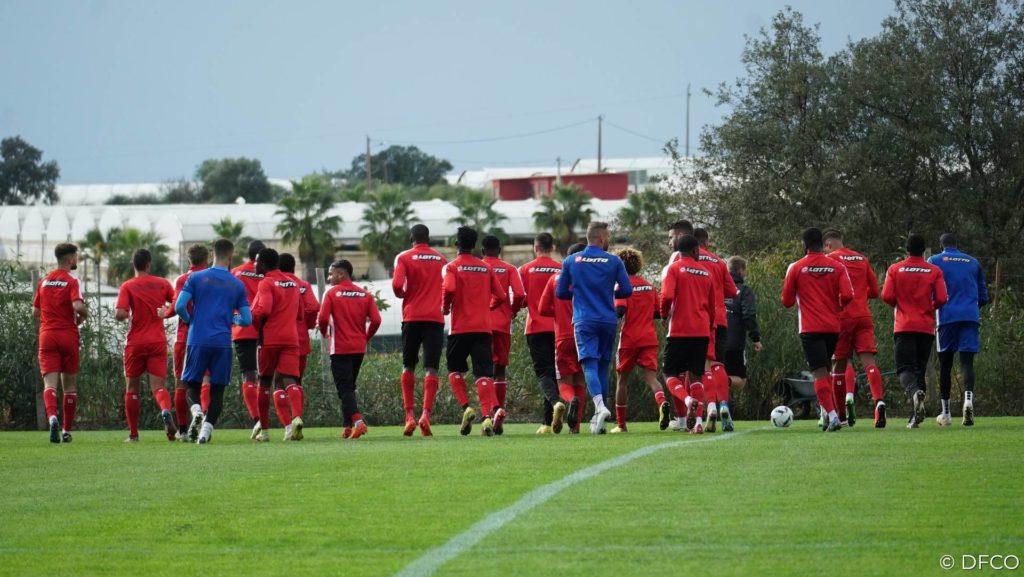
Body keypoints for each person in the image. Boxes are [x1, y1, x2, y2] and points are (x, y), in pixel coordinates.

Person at [556, 221, 633, 434]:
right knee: (602, 367)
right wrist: (609, 292)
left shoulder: (571, 261)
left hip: (584, 319)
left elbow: (561, 293)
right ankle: (601, 421)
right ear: (601, 238)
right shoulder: (614, 261)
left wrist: (579, 292)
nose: (609, 240)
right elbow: (627, 290)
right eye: (608, 237)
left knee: (588, 365)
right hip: (608, 319)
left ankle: (600, 408)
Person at [174, 239, 251, 444]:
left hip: (197, 339)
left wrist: (190, 320)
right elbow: (247, 319)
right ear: (231, 256)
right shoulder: (237, 284)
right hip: (222, 342)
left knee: (191, 385)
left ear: (212, 254)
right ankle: (205, 433)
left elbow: (179, 306)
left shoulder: (196, 278)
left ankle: (196, 410)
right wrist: (233, 319)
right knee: (217, 390)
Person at [781, 227, 854, 432]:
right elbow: (848, 295)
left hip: (810, 327)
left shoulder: (796, 267)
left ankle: (832, 416)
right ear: (822, 244)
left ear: (804, 245)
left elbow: (786, 301)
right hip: (833, 327)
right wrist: (837, 307)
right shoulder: (837, 266)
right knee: (826, 370)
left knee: (819, 372)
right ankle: (827, 412)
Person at [443, 227, 506, 436]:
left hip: (460, 328)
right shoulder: (486, 267)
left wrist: (445, 307)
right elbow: (501, 296)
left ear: (457, 244)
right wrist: (489, 307)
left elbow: (449, 289)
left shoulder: (452, 267)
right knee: (484, 373)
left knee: (454, 369)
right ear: (475, 245)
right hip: (483, 328)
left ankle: (466, 407)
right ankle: (487, 416)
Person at [881, 234, 948, 428]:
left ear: (907, 249)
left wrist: (900, 304)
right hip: (925, 327)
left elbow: (886, 295)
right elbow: (942, 298)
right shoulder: (934, 270)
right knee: (920, 369)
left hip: (904, 325)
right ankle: (914, 418)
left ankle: (914, 393)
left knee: (904, 369)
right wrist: (928, 307)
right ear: (923, 250)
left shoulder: (895, 269)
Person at [823, 229, 885, 428]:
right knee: (869, 362)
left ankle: (841, 414)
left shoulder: (830, 260)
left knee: (839, 365)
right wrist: (860, 294)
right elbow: (874, 291)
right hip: (863, 315)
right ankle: (879, 402)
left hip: (842, 317)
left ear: (827, 245)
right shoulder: (861, 258)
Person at [114, 249, 176, 442]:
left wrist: (125, 314)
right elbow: (178, 303)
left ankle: (133, 434)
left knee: (132, 388)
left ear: (133, 264)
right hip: (157, 341)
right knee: (158, 387)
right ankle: (165, 411)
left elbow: (120, 313)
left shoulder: (127, 286)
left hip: (135, 343)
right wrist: (166, 312)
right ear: (149, 264)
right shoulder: (163, 283)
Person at [392, 224, 447, 436]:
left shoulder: (404, 257)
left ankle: (409, 416)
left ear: (411, 238)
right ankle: (425, 415)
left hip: (412, 316)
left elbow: (397, 285)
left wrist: (403, 295)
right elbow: (449, 286)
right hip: (435, 317)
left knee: (408, 365)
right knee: (431, 367)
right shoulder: (441, 259)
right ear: (428, 239)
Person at [318, 259, 381, 439]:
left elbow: (322, 319)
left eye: (331, 274)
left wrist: (324, 333)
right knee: (349, 387)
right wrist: (365, 337)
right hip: (358, 348)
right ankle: (347, 426)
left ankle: (358, 422)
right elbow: (376, 320)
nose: (329, 278)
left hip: (339, 348)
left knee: (344, 389)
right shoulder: (365, 294)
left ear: (341, 274)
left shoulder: (331, 293)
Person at [929, 233, 988, 426]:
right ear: (957, 245)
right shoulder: (973, 262)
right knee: (967, 363)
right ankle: (968, 401)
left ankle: (946, 413)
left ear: (941, 246)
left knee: (945, 365)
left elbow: (929, 290)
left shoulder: (934, 261)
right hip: (970, 316)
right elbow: (984, 297)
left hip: (946, 317)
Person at [33, 242, 88, 443]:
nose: (77, 259)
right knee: (70, 386)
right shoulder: (72, 281)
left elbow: (35, 312)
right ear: (71, 259)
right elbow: (78, 306)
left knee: (50, 385)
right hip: (68, 336)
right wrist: (85, 314)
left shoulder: (44, 281)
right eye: (76, 256)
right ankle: (66, 430)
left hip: (47, 336)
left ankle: (52, 418)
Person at [661, 235, 716, 434]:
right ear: (695, 250)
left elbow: (667, 295)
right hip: (701, 331)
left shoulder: (674, 269)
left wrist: (664, 315)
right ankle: (698, 423)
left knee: (670, 373)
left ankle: (686, 400)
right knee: (696, 376)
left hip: (679, 329)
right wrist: (709, 326)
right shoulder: (706, 273)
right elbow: (712, 307)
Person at [612, 248, 670, 433]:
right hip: (649, 338)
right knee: (652, 378)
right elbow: (658, 312)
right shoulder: (649, 286)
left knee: (622, 381)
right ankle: (662, 403)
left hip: (629, 339)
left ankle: (621, 425)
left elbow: (620, 309)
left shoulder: (621, 286)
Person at [250, 248, 303, 442]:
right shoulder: (293, 283)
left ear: (263, 265)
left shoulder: (266, 282)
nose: (254, 265)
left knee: (264, 382)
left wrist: (249, 315)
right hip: (291, 338)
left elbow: (264, 309)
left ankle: (264, 431)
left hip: (269, 339)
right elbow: (300, 314)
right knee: (290, 380)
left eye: (256, 262)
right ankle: (296, 417)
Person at [518, 232, 565, 433]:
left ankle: (555, 403)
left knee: (543, 373)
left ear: (535, 247)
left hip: (535, 327)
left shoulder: (525, 269)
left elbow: (520, 298)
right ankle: (547, 423)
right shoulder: (562, 269)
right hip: (558, 327)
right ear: (552, 248)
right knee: (554, 373)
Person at [693, 228, 738, 432]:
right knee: (718, 364)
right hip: (720, 318)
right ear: (707, 242)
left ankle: (711, 406)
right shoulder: (719, 262)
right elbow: (732, 291)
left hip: (701, 318)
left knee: (705, 365)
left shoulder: (689, 260)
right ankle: (724, 406)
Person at [540, 243, 588, 434]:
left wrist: (559, 313)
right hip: (585, 335)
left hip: (564, 336)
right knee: (581, 380)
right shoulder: (590, 278)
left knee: (564, 382)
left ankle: (570, 400)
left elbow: (543, 309)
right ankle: (575, 428)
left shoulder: (555, 278)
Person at [481, 234, 526, 431]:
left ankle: (489, 413)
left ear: (482, 251)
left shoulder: (478, 267)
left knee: (483, 372)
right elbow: (520, 294)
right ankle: (498, 413)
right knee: (500, 371)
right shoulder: (509, 268)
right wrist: (512, 312)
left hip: (480, 325)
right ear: (499, 251)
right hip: (502, 325)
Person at [166, 244, 210, 440]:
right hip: (208, 336)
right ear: (207, 259)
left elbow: (177, 305)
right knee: (206, 379)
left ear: (189, 260)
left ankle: (183, 430)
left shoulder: (183, 279)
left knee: (181, 383)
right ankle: (205, 422)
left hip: (185, 337)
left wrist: (164, 313)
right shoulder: (213, 279)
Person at [724, 256, 763, 431]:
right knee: (740, 382)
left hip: (715, 341)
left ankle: (721, 407)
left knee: (715, 374)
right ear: (741, 270)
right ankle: (722, 382)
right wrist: (755, 338)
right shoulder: (744, 290)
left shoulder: (718, 287)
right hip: (735, 343)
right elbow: (748, 314)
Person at [231, 240, 266, 436]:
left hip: (242, 330)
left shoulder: (236, 272)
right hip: (265, 330)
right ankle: (272, 420)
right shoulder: (269, 273)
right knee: (266, 377)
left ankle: (257, 419)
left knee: (248, 375)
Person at [279, 253, 320, 385]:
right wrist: (306, 324)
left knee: (279, 382)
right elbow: (313, 307)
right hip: (300, 339)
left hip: (278, 337)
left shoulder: (272, 284)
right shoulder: (303, 285)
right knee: (297, 382)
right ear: (293, 267)